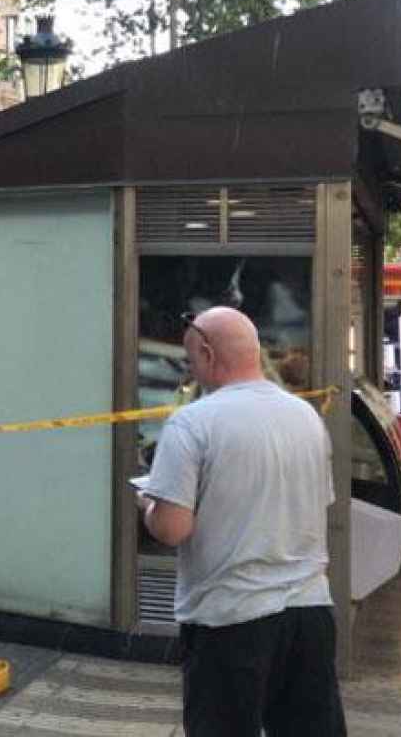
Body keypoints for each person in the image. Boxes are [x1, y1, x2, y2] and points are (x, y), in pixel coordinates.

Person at [139, 307, 344, 736]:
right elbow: (315, 504)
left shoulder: (192, 423)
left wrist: (148, 504)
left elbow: (173, 528)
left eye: (191, 358)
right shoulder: (305, 417)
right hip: (309, 614)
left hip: (229, 618)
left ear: (209, 354)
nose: (191, 368)